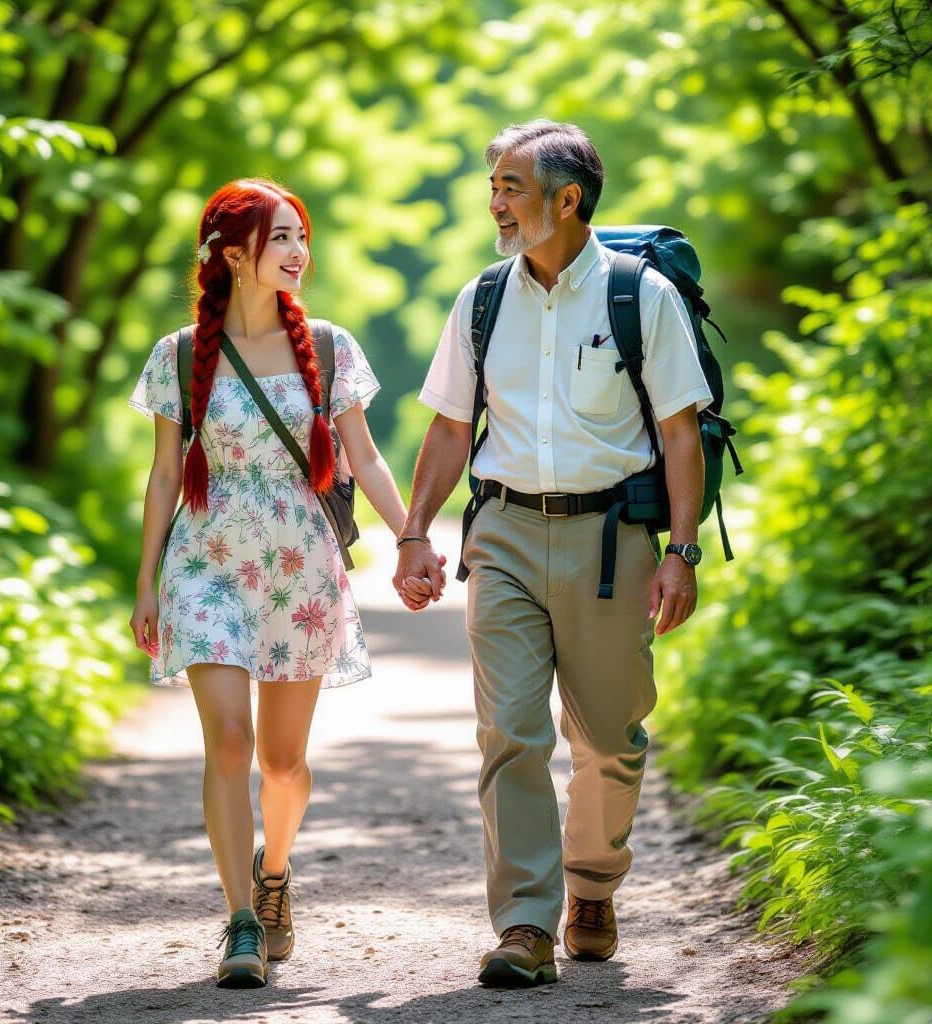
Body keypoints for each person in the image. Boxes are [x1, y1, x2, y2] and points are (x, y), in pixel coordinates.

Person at [394, 120, 714, 988]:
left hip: (612, 542)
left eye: (510, 187)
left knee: (610, 737)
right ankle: (527, 923)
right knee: (511, 733)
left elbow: (681, 434)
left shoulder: (640, 297)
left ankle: (594, 884)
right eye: (492, 186)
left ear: (567, 199)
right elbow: (451, 426)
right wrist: (416, 531)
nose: (494, 203)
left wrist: (681, 550)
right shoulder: (482, 299)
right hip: (500, 534)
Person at [128, 178, 434, 988]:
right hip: (206, 564)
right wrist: (147, 580)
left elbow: (363, 457)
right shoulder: (177, 355)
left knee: (283, 762)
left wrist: (411, 537)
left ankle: (274, 875)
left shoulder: (330, 347)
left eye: (303, 236)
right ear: (234, 255)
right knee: (228, 743)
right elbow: (163, 478)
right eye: (283, 238)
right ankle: (237, 921)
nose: (300, 252)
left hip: (299, 571)